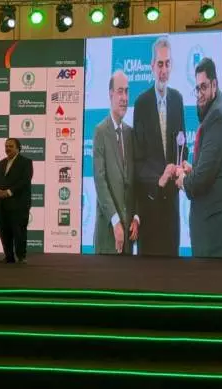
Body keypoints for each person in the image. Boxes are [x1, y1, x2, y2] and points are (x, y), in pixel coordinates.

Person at [176, 57, 222, 257]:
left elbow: (200, 181)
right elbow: (213, 168)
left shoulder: (218, 116)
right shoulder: (218, 107)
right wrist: (194, 169)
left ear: (214, 85)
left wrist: (183, 180)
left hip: (218, 236)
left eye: (204, 87)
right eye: (197, 88)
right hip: (219, 231)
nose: (200, 94)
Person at [133, 37, 186, 257]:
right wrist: (159, 179)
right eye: (160, 64)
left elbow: (182, 144)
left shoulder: (178, 100)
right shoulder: (141, 103)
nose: (164, 70)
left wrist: (183, 165)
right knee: (147, 271)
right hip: (150, 206)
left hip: (172, 208)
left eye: (167, 64)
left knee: (173, 270)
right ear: (152, 66)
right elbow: (138, 160)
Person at [93, 70, 139, 255]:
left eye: (127, 92)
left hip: (129, 236)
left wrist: (136, 216)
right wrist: (115, 221)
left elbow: (135, 181)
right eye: (120, 91)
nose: (124, 98)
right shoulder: (100, 132)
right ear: (110, 94)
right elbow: (100, 181)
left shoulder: (130, 134)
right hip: (108, 234)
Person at [0, 138, 33, 264]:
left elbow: (25, 181)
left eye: (11, 146)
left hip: (18, 204)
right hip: (2, 203)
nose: (8, 148)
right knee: (4, 231)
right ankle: (8, 256)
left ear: (18, 148)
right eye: (6, 146)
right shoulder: (0, 163)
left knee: (19, 231)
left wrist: (9, 192)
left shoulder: (26, 162)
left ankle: (21, 257)